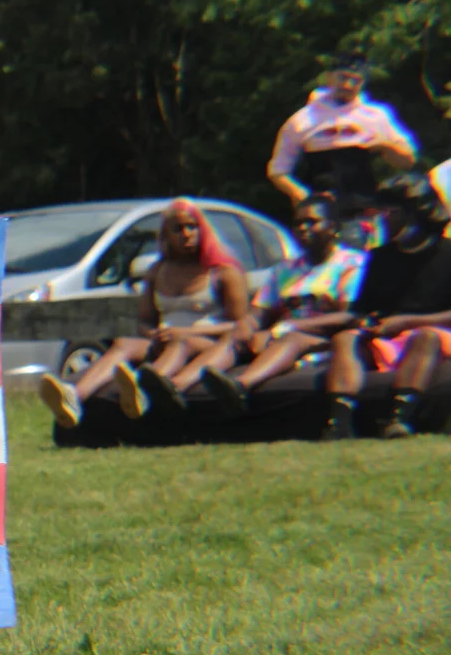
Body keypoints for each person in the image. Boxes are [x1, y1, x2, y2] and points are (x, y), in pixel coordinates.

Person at [38, 198, 249, 427]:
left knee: (180, 343)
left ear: (203, 229)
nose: (186, 234)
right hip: (165, 339)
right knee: (125, 343)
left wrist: (184, 332)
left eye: (192, 226)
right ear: (166, 235)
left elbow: (239, 326)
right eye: (178, 229)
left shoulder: (223, 272)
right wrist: (153, 334)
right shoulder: (157, 271)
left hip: (207, 342)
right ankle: (75, 396)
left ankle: (142, 390)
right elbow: (143, 321)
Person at [167, 194, 366, 415]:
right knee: (236, 336)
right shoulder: (286, 269)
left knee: (292, 339)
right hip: (281, 335)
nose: (303, 228)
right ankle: (177, 387)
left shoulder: (351, 263)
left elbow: (346, 316)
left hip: (325, 339)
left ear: (332, 227)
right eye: (298, 223)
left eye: (312, 222)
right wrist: (247, 326)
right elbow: (259, 311)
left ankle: (240, 386)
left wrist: (287, 327)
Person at [321, 173, 451, 439]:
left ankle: (399, 417)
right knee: (345, 339)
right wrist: (366, 322)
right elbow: (362, 308)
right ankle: (340, 422)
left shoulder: (447, 253)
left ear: (417, 213)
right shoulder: (379, 258)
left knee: (425, 337)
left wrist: (406, 322)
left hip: (435, 334)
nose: (383, 220)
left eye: (391, 213)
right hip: (388, 335)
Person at [267, 51, 416, 246]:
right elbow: (278, 171)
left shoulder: (375, 116)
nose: (348, 85)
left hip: (364, 211)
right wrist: (301, 194)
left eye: (356, 80)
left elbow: (408, 161)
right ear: (329, 77)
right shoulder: (302, 120)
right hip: (321, 215)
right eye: (343, 78)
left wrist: (384, 145)